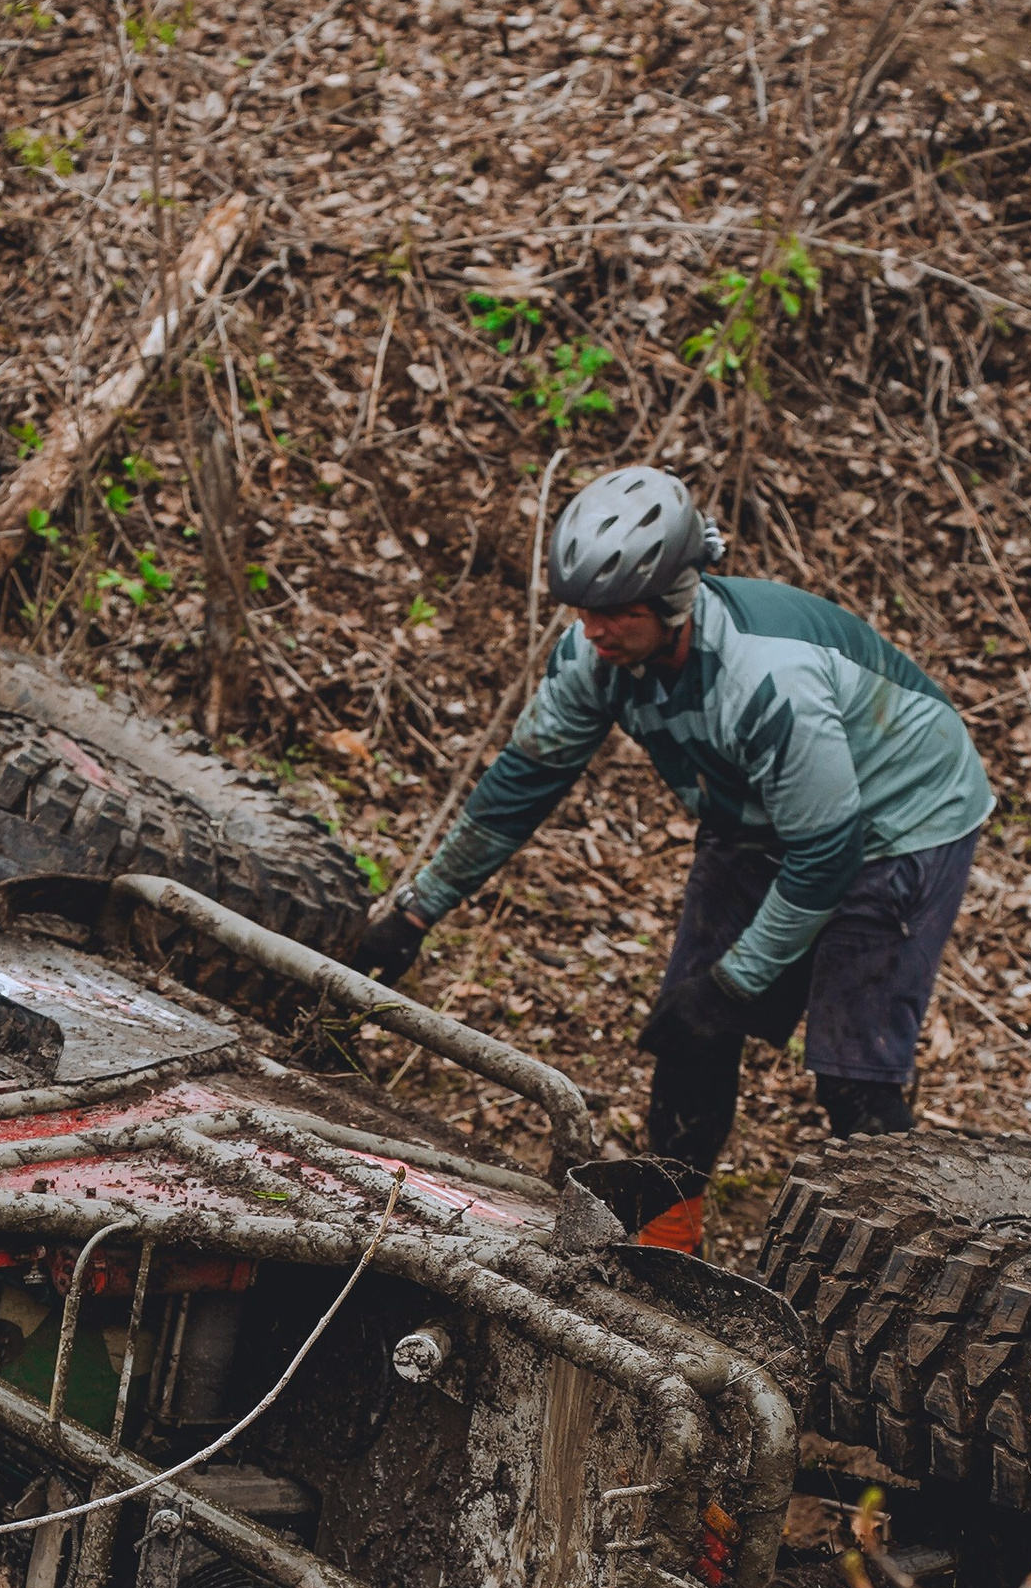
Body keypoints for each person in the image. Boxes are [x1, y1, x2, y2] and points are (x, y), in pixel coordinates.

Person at [359, 466, 993, 1250]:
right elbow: (522, 782)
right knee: (689, 1033)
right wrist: (418, 910)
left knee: (853, 1080)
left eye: (616, 615)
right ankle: (667, 1244)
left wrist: (736, 982)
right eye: (584, 613)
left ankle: (911, 1280)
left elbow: (828, 854)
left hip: (903, 820)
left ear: (674, 603)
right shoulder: (595, 656)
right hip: (754, 813)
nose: (594, 632)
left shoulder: (767, 682)